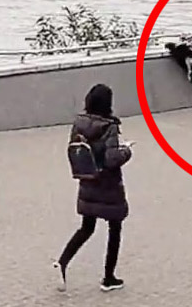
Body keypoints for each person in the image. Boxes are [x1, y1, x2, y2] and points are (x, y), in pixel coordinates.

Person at [54, 84, 133, 292]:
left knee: (86, 227)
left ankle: (62, 262)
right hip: (108, 184)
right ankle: (108, 278)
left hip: (88, 180)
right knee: (114, 228)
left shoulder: (79, 122)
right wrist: (126, 151)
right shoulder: (109, 126)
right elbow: (111, 158)